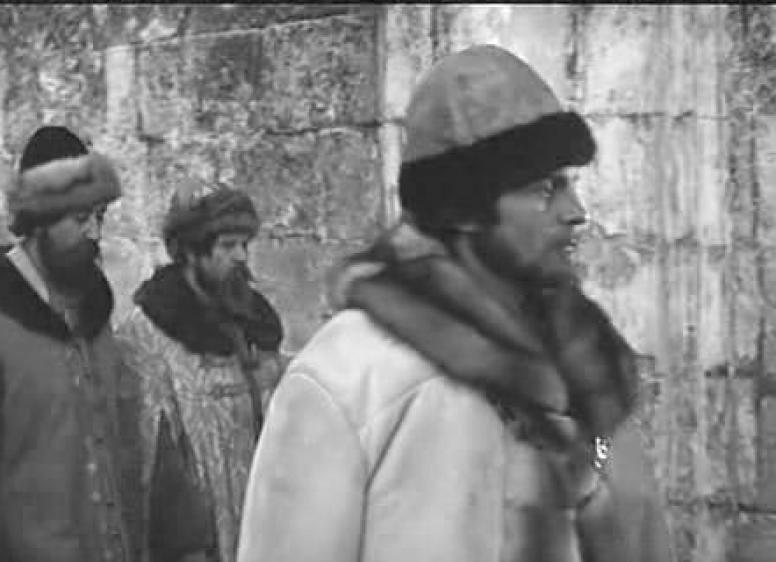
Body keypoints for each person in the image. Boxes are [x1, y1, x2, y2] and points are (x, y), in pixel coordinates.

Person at [237, 45, 674, 562]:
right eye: (544, 189)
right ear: (462, 209)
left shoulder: (587, 366)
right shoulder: (349, 377)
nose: (576, 212)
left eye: (569, 184)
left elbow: (639, 529)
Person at [0, 125, 213, 562]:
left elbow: (134, 442)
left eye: (100, 216)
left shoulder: (93, 319)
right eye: (81, 218)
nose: (96, 233)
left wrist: (184, 541)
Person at [117, 181, 284, 562]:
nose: (241, 256)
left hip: (261, 521)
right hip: (194, 537)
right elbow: (150, 458)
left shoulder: (252, 323)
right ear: (191, 250)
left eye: (245, 244)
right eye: (228, 245)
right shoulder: (147, 333)